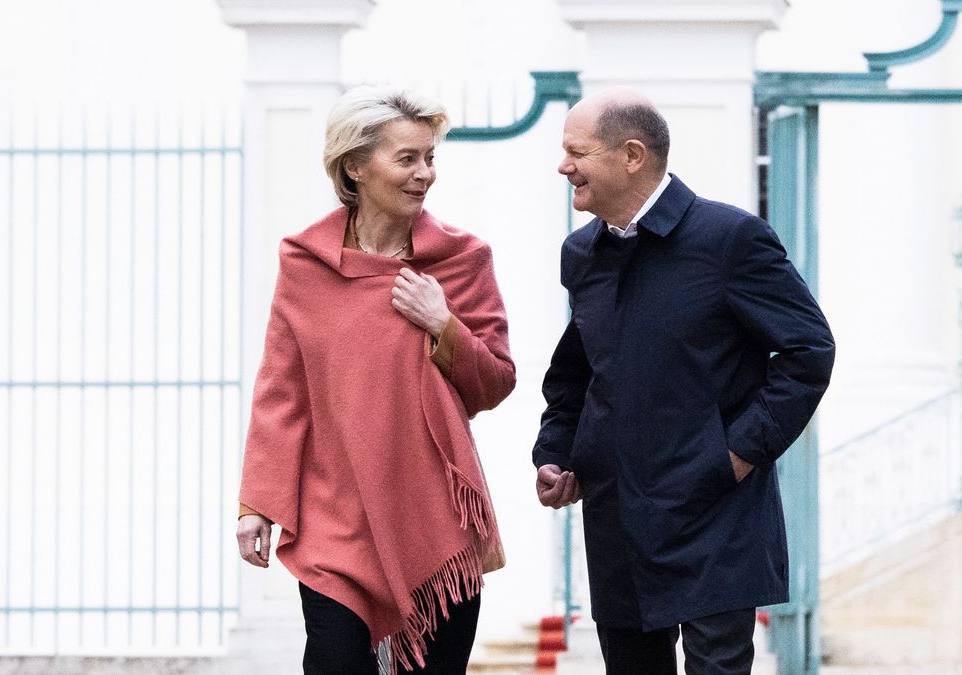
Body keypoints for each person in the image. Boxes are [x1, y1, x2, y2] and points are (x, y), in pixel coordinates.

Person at [531, 88, 835, 675]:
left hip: (713, 514)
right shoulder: (582, 252)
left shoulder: (731, 240)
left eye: (577, 152)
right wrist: (556, 454)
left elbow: (808, 350)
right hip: (617, 514)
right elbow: (576, 371)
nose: (563, 166)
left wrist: (738, 454)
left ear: (632, 155)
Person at [236, 86, 516, 675]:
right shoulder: (305, 263)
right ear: (355, 167)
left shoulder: (462, 260)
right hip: (334, 518)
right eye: (407, 158)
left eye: (429, 158)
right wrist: (258, 504)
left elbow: (494, 384)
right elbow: (281, 392)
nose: (425, 174)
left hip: (433, 518)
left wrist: (445, 324)